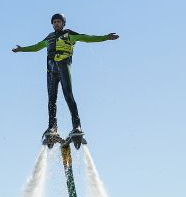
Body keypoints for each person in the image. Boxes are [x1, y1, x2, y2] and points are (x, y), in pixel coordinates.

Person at [11, 13, 119, 142]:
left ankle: (77, 126)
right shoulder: (49, 38)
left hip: (63, 67)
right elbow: (36, 47)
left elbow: (88, 38)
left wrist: (106, 37)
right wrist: (22, 49)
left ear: (63, 23)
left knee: (68, 95)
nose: (56, 23)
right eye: (54, 22)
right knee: (52, 99)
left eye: (59, 21)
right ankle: (52, 127)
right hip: (51, 71)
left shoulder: (69, 34)